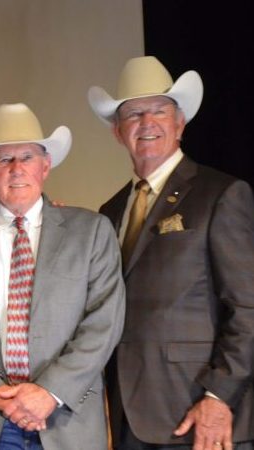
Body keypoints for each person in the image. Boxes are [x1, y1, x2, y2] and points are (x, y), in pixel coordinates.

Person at [0, 103, 125, 449]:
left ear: (45, 167)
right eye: (4, 160)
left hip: (66, 418)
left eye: (28, 157)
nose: (17, 169)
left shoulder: (90, 230)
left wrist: (50, 391)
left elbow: (104, 320)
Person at [89, 56, 254, 449]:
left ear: (180, 123)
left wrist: (218, 396)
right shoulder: (109, 212)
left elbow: (247, 306)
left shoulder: (221, 194)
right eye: (133, 114)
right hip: (128, 413)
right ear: (117, 131)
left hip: (201, 415)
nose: (147, 123)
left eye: (159, 111)